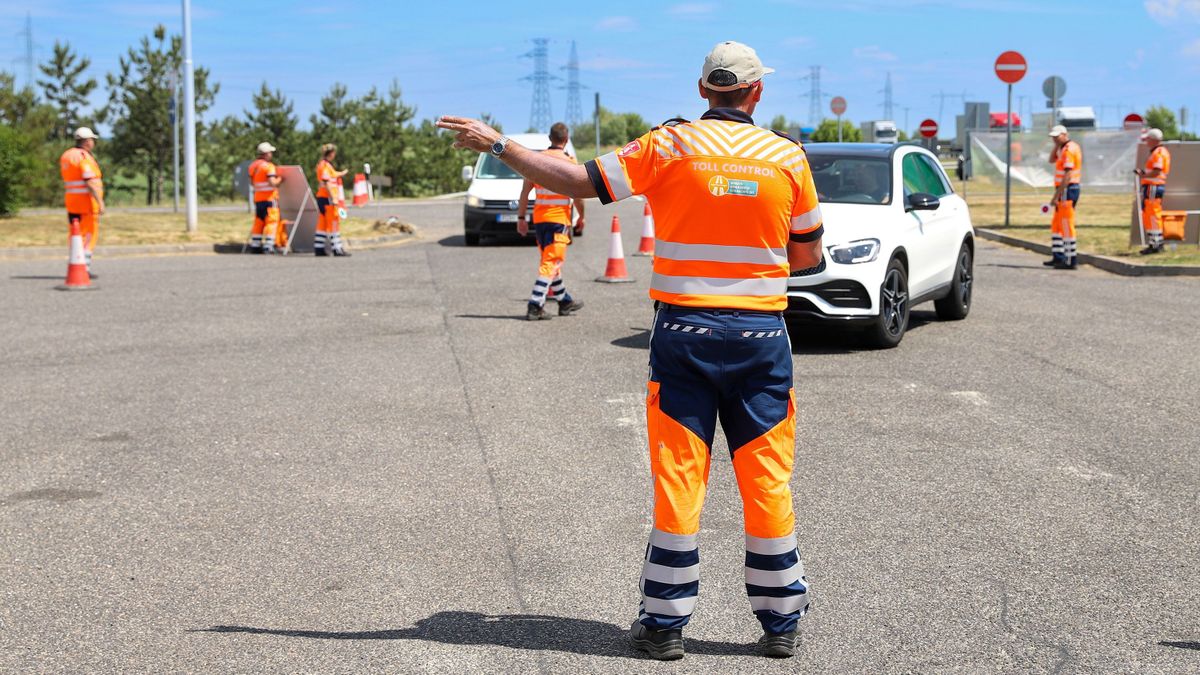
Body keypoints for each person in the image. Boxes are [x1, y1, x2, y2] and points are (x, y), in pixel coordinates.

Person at [437, 40, 823, 660]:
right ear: (756, 92)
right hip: (761, 339)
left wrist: (498, 143)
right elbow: (807, 255)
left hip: (683, 337)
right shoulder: (787, 158)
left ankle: (665, 624)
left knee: (679, 480)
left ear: (703, 91)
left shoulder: (668, 146)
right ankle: (780, 625)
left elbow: (575, 180)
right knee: (767, 481)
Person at [516, 122, 585, 320]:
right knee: (551, 263)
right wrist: (582, 216)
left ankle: (564, 301)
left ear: (549, 138)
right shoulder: (569, 162)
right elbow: (578, 196)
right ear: (567, 139)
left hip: (539, 220)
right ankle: (535, 305)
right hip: (558, 221)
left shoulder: (535, 161)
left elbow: (524, 192)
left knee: (550, 262)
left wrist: (521, 217)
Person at [59, 127, 104, 275]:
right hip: (87, 204)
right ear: (86, 141)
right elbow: (89, 180)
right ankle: (84, 267)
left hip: (72, 203)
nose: (93, 143)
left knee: (75, 234)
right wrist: (100, 202)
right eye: (92, 140)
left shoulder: (66, 155)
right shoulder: (83, 157)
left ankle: (75, 260)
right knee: (88, 235)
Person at [1047, 125, 1082, 270]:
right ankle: (1058, 256)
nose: (1054, 139)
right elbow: (1051, 159)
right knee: (1057, 224)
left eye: (1057, 136)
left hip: (1067, 189)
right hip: (1064, 190)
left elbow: (1067, 175)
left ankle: (1070, 259)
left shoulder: (1069, 150)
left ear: (1065, 134)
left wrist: (1056, 196)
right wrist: (1056, 145)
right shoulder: (1063, 148)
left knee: (1066, 224)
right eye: (1053, 137)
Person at [1136, 128, 1172, 255]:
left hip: (1153, 186)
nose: (1146, 141)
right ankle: (1155, 242)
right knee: (1149, 214)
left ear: (1154, 140)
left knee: (1152, 214)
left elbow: (1157, 170)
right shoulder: (1158, 151)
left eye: (1148, 139)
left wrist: (1143, 175)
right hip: (1152, 186)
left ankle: (1156, 244)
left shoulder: (1159, 152)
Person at [248, 142, 285, 254]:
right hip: (270, 199)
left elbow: (252, 182)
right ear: (266, 153)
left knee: (259, 221)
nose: (271, 155)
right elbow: (272, 182)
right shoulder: (269, 167)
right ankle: (269, 245)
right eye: (270, 152)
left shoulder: (253, 166)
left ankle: (255, 245)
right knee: (271, 221)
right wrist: (280, 179)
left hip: (258, 198)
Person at [314, 144, 350, 257]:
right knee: (334, 222)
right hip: (328, 198)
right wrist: (334, 198)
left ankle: (319, 248)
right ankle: (337, 248)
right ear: (332, 153)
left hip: (322, 197)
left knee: (322, 223)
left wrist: (342, 173)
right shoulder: (325, 165)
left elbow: (332, 175)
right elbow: (327, 182)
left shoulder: (324, 165)